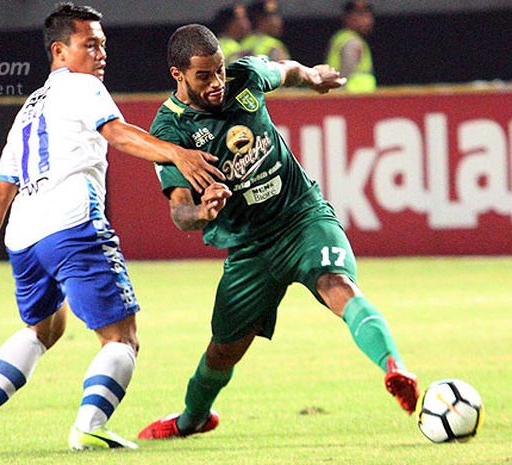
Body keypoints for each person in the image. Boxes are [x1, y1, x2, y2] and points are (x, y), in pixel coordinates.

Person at [0, 4, 223, 451]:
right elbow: (116, 132)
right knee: (122, 339)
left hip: (24, 236)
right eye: (89, 44)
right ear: (60, 50)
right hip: (73, 224)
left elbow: (0, 194)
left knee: (44, 329)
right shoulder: (84, 87)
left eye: (103, 45)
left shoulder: (29, 110)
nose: (100, 54)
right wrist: (176, 153)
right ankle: (89, 426)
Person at [136, 24, 419, 441]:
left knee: (336, 283)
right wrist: (203, 210)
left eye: (218, 71)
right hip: (250, 247)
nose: (217, 83)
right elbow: (180, 212)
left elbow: (285, 71)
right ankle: (191, 419)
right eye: (204, 76)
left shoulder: (244, 77)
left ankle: (395, 367)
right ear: (178, 75)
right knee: (223, 350)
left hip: (302, 217)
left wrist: (314, 76)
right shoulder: (170, 130)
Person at [326, 0, 376, 93]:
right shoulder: (352, 42)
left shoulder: (341, 37)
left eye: (369, 15)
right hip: (353, 95)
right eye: (361, 15)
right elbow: (346, 71)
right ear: (348, 17)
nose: (368, 20)